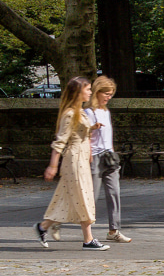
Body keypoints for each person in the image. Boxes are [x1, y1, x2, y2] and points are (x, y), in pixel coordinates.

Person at [35, 76, 109, 250]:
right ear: (78, 92)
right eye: (88, 89)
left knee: (69, 198)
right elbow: (60, 141)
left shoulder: (80, 112)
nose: (90, 92)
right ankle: (88, 240)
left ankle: (43, 227)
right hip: (74, 160)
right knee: (83, 197)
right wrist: (52, 166)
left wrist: (91, 128)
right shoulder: (70, 114)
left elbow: (78, 132)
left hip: (81, 158)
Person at [85, 75, 130, 243]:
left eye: (111, 94)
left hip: (109, 157)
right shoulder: (89, 112)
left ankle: (114, 229)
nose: (109, 97)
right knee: (91, 197)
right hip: (94, 157)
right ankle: (85, 232)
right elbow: (84, 135)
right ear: (97, 92)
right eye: (106, 94)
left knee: (114, 193)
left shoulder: (105, 111)